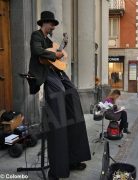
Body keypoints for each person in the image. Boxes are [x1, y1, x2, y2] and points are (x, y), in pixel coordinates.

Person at [28, 11, 91, 180]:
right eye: (52, 24)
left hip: (56, 73)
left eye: (54, 25)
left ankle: (73, 158)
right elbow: (37, 51)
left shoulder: (50, 41)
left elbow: (57, 57)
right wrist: (55, 54)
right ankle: (57, 169)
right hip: (43, 74)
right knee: (59, 104)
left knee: (73, 98)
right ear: (44, 23)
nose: (54, 27)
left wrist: (62, 48)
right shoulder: (36, 35)